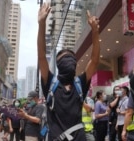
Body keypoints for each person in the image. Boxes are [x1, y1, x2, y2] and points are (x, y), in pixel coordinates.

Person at [38, 2, 100, 141]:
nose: (68, 60)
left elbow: (94, 60)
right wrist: (41, 24)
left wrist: (95, 32)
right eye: (64, 57)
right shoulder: (50, 82)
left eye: (71, 57)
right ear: (59, 65)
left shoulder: (80, 84)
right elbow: (42, 57)